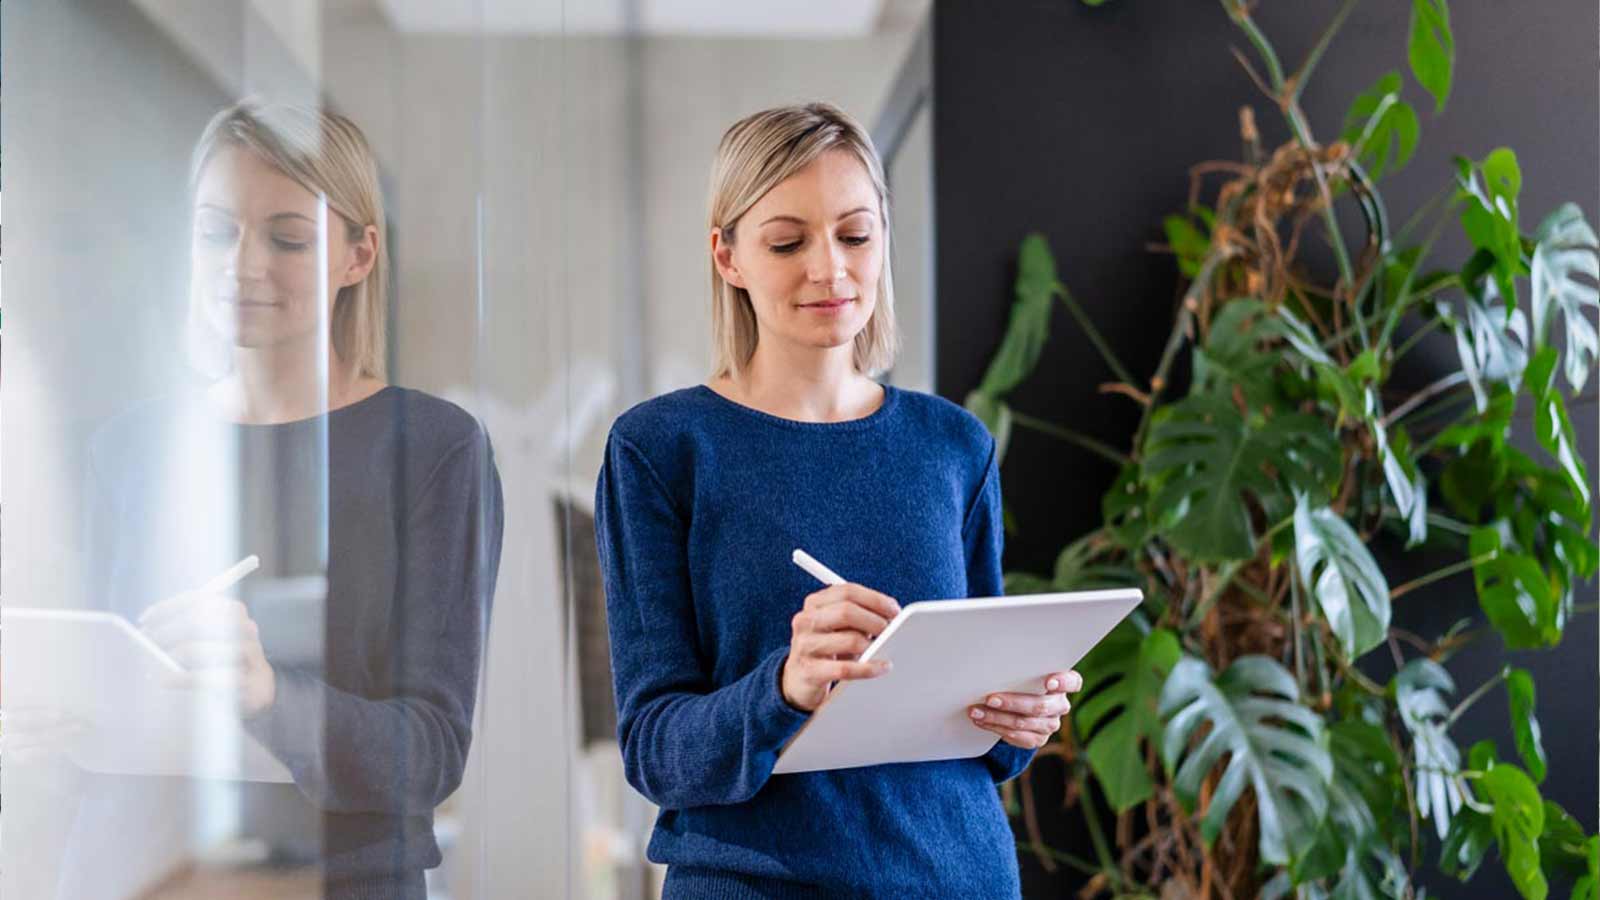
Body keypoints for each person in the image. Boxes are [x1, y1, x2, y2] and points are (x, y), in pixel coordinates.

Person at [594, 101, 1083, 899]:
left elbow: (985, 731)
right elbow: (655, 750)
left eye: (856, 235)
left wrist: (1019, 724)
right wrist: (783, 685)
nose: (831, 269)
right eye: (788, 242)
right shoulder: (661, 449)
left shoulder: (953, 445)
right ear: (728, 256)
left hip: (958, 876)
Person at [75, 100, 504, 899]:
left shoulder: (436, 449)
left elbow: (434, 751)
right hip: (143, 872)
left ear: (358, 254)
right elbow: (103, 700)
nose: (242, 265)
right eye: (215, 232)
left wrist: (268, 695)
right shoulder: (128, 450)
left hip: (343, 880)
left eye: (288, 238)